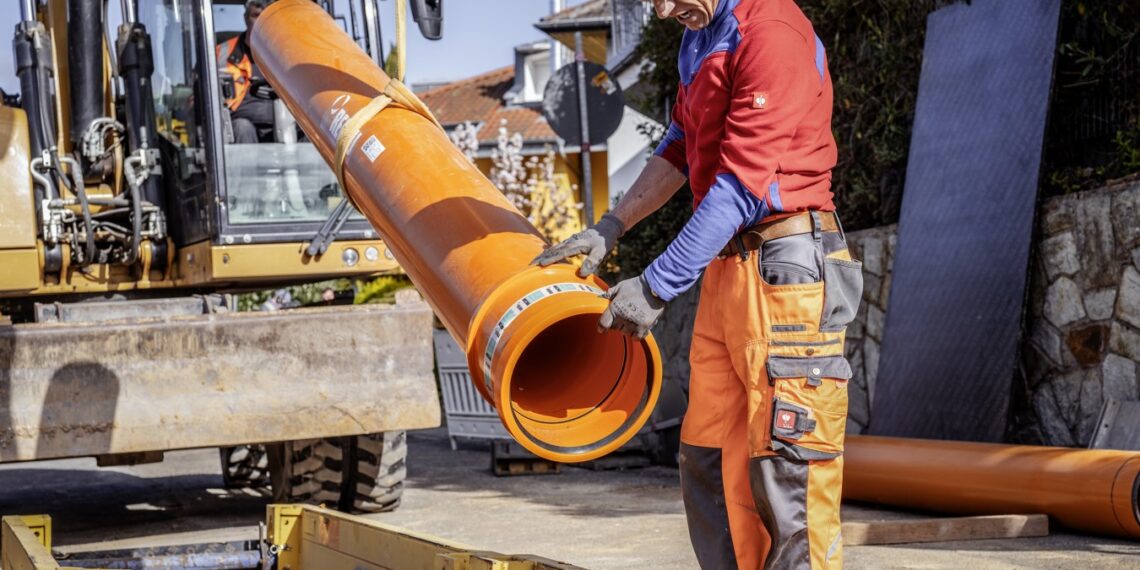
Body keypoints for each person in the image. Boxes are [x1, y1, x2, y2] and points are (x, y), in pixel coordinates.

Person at [534, 0, 860, 568]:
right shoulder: (701, 32)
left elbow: (739, 187)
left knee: (789, 476)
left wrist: (657, 285)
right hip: (728, 272)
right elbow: (681, 147)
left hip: (785, 270)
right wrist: (611, 227)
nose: (660, 11)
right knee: (709, 461)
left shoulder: (773, 33)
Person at [216, 0, 275, 144]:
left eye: (267, 17)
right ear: (245, 18)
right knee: (242, 127)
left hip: (285, 125)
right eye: (256, 16)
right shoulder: (220, 54)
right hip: (241, 127)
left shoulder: (289, 55)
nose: (261, 22)